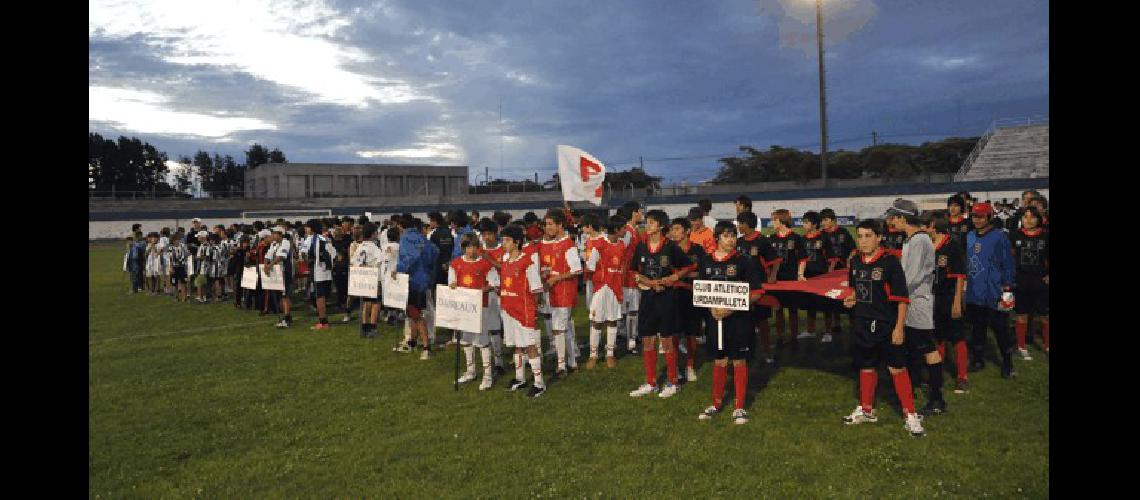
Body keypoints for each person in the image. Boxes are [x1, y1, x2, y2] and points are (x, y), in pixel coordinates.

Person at [841, 220, 925, 437]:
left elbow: (902, 299)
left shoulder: (890, 263)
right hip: (862, 323)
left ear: (879, 238)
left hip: (886, 325)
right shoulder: (856, 262)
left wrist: (899, 328)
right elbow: (858, 292)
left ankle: (911, 415)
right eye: (860, 236)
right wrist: (852, 299)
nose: (863, 240)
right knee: (866, 366)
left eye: (868, 236)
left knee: (896, 368)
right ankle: (867, 410)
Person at [696, 221, 767, 425]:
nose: (731, 239)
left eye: (734, 236)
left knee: (738, 359)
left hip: (739, 320)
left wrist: (732, 307)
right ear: (717, 238)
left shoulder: (744, 261)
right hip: (715, 319)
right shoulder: (706, 261)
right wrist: (712, 309)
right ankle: (716, 403)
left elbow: (757, 292)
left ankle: (739, 407)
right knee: (719, 360)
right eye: (727, 236)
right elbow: (701, 291)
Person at [886, 199, 947, 417]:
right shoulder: (912, 240)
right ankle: (912, 387)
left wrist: (889, 288)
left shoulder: (919, 241)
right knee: (913, 346)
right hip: (911, 299)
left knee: (927, 347)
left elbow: (910, 277)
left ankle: (937, 398)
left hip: (918, 301)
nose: (892, 222)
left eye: (894, 217)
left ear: (903, 218)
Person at [628, 209, 692, 399]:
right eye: (646, 222)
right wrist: (647, 282)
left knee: (666, 340)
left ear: (661, 226)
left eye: (651, 223)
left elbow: (688, 266)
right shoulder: (641, 246)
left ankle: (673, 382)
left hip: (667, 297)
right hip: (648, 297)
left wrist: (674, 277)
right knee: (647, 339)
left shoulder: (671, 247)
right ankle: (651, 382)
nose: (647, 226)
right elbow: (633, 271)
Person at [964, 202, 1017, 379]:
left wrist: (1007, 288)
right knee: (977, 328)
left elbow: (1008, 263)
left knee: (1000, 329)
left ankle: (1007, 362)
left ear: (989, 218)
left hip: (994, 291)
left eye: (980, 216)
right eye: (974, 216)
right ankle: (978, 359)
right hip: (974, 291)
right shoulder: (970, 236)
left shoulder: (999, 237)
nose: (977, 220)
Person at [498, 224, 548, 398]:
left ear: (517, 242)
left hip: (523, 310)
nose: (503, 243)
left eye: (507, 240)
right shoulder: (504, 259)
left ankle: (539, 383)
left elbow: (536, 289)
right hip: (508, 309)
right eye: (503, 240)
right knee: (516, 345)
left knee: (530, 345)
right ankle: (520, 378)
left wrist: (534, 309)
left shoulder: (528, 262)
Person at [924, 212, 969, 394]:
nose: (924, 229)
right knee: (938, 337)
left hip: (949, 297)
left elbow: (959, 276)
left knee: (957, 337)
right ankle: (938, 376)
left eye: (926, 226)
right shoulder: (927, 246)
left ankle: (962, 378)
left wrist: (957, 302)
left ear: (933, 226)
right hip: (932, 298)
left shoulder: (952, 246)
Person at [449, 233, 497, 390]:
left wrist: (484, 289)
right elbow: (451, 283)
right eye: (468, 247)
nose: (471, 250)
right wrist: (453, 286)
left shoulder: (485, 264)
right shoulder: (455, 264)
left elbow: (494, 283)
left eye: (474, 247)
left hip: (480, 307)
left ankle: (488, 376)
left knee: (482, 341)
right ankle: (471, 371)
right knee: (465, 340)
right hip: (463, 308)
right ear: (463, 248)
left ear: (478, 247)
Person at [539, 208, 582, 378]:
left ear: (560, 225)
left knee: (558, 329)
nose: (547, 227)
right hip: (553, 292)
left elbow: (577, 270)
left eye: (550, 224)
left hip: (564, 291)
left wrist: (556, 279)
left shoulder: (568, 244)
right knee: (564, 330)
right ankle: (572, 363)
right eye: (546, 224)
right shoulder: (551, 243)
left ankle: (561, 366)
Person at [735, 211, 779, 363]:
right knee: (745, 321)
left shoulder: (762, 241)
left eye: (740, 223)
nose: (738, 226)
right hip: (743, 288)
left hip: (759, 286)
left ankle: (767, 350)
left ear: (747, 224)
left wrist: (772, 275)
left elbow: (775, 260)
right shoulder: (738, 242)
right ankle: (746, 351)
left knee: (762, 321)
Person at [669, 216, 707, 381]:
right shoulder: (668, 249)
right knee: (673, 334)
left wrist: (685, 274)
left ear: (687, 231)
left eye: (677, 229)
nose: (673, 232)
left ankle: (690, 366)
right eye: (672, 229)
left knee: (692, 334)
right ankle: (675, 367)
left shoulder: (698, 250)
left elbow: (705, 272)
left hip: (692, 295)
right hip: (672, 296)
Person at [585, 216, 626, 369]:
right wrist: (601, 276)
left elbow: (622, 266)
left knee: (612, 320)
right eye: (623, 228)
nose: (625, 231)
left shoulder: (622, 245)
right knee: (597, 321)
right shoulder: (600, 245)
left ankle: (610, 354)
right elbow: (590, 265)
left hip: (615, 288)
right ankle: (593, 355)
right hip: (601, 288)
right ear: (616, 230)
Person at [395, 216, 439, 360]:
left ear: (401, 226)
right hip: (424, 280)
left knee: (417, 315)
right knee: (413, 313)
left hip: (413, 280)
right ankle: (412, 342)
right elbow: (434, 252)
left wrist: (399, 268)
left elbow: (412, 256)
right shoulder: (423, 238)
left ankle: (426, 348)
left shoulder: (406, 238)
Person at [1010, 206, 1049, 358]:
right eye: (1025, 217)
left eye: (1032, 217)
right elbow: (1009, 257)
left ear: (1038, 219)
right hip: (1021, 281)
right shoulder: (1014, 235)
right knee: (1022, 314)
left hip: (1040, 280)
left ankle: (1047, 345)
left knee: (1044, 315)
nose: (1028, 220)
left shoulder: (1045, 236)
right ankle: (1021, 347)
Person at [769, 209, 806, 345]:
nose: (772, 222)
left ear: (781, 220)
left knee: (792, 310)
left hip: (791, 279)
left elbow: (802, 258)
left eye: (774, 220)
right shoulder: (771, 238)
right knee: (778, 309)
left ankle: (794, 337)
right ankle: (780, 336)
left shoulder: (796, 238)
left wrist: (800, 274)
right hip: (776, 280)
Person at [820, 208, 854, 343]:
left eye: (825, 220)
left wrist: (849, 262)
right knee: (829, 299)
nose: (823, 223)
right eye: (822, 220)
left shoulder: (843, 232)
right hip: (828, 271)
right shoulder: (822, 234)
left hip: (844, 270)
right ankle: (832, 327)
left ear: (832, 220)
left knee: (847, 296)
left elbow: (853, 249)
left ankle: (853, 327)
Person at [797, 211, 832, 340]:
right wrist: (800, 274)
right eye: (803, 222)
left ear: (815, 224)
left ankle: (828, 332)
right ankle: (810, 330)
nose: (803, 224)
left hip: (822, 276)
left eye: (806, 222)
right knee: (810, 304)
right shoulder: (803, 239)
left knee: (826, 305)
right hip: (808, 276)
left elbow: (832, 258)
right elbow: (801, 259)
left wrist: (829, 275)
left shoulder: (824, 237)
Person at [478, 219, 506, 376]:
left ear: (496, 234)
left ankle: (526, 358)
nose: (487, 237)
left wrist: (488, 258)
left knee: (511, 327)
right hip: (489, 293)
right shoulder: (479, 251)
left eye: (489, 234)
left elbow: (505, 267)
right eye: (484, 234)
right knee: (493, 328)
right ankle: (499, 362)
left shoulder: (504, 248)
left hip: (506, 292)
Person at [618, 203, 645, 353]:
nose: (641, 214)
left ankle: (630, 336)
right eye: (640, 211)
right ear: (634, 213)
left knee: (633, 310)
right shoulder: (627, 231)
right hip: (628, 277)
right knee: (632, 310)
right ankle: (631, 341)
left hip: (633, 275)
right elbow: (621, 255)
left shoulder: (633, 230)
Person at [352, 223, 384, 339]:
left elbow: (354, 261)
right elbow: (380, 262)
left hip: (362, 278)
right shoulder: (374, 248)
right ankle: (373, 327)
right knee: (376, 303)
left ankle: (364, 326)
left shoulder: (360, 247)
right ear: (373, 234)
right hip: (373, 278)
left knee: (366, 303)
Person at [304, 220, 337, 330]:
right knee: (323, 297)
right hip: (327, 272)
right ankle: (324, 321)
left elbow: (304, 254)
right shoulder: (326, 238)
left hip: (317, 272)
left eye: (308, 227)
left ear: (312, 228)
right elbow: (334, 254)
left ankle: (323, 322)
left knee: (319, 297)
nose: (306, 229)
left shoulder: (311, 239)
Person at [264, 226, 295, 328]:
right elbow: (267, 256)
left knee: (285, 295)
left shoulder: (285, 242)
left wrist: (270, 265)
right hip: (277, 272)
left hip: (285, 271)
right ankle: (287, 316)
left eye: (275, 233)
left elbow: (281, 257)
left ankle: (287, 318)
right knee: (282, 295)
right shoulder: (274, 244)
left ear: (280, 234)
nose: (273, 235)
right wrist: (265, 266)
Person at [332, 217, 355, 323]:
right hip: (336, 268)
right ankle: (340, 304)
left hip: (345, 267)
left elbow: (350, 254)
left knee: (346, 289)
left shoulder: (348, 240)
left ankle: (346, 308)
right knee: (339, 288)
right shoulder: (332, 242)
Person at [169, 234, 190, 302]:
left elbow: (187, 254)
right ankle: (176, 297)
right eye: (175, 240)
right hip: (175, 267)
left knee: (183, 282)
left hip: (182, 267)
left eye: (178, 240)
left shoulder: (183, 246)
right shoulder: (170, 248)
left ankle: (184, 297)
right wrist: (171, 267)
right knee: (174, 283)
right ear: (172, 241)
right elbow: (170, 259)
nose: (177, 241)